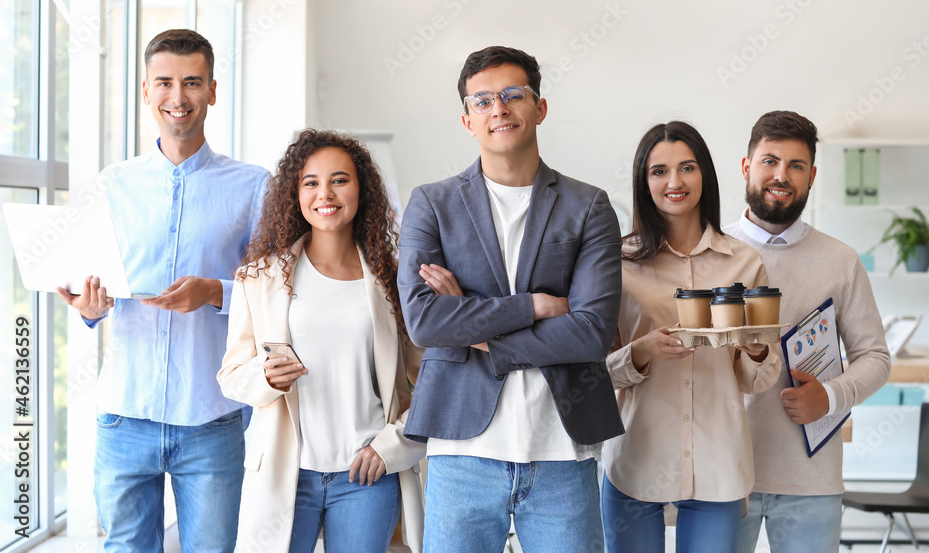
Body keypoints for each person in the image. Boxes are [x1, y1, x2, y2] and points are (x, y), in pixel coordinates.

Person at [397, 45, 624, 552]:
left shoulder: (588, 206)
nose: (497, 108)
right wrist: (535, 306)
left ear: (539, 107)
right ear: (466, 120)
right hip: (461, 450)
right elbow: (425, 322)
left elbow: (591, 332)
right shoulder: (431, 203)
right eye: (482, 101)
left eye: (511, 95)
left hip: (563, 453)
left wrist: (476, 329)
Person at [57, 29, 270, 552]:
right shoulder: (113, 185)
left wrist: (215, 292)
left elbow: (273, 294)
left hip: (211, 416)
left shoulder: (253, 186)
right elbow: (92, 284)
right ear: (147, 92)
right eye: (166, 83)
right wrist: (88, 309)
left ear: (212, 91)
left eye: (192, 82)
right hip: (124, 414)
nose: (179, 98)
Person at [217, 130, 426, 553]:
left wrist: (391, 446)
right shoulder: (258, 278)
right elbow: (231, 376)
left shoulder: (393, 281)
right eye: (310, 182)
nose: (324, 193)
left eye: (339, 180)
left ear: (361, 189)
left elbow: (430, 380)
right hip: (286, 473)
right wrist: (266, 376)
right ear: (294, 194)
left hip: (365, 474)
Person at [602, 122, 780, 552]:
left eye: (687, 168)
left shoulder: (744, 263)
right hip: (636, 458)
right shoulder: (618, 262)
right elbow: (594, 375)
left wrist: (755, 350)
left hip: (718, 464)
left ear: (706, 176)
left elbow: (760, 377)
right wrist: (640, 353)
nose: (675, 182)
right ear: (644, 183)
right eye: (659, 171)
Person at [726, 111, 891, 553]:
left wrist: (831, 396)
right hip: (723, 477)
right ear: (746, 167)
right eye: (770, 161)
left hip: (810, 478)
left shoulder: (841, 260)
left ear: (812, 176)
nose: (781, 176)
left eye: (796, 166)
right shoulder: (710, 253)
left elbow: (875, 357)